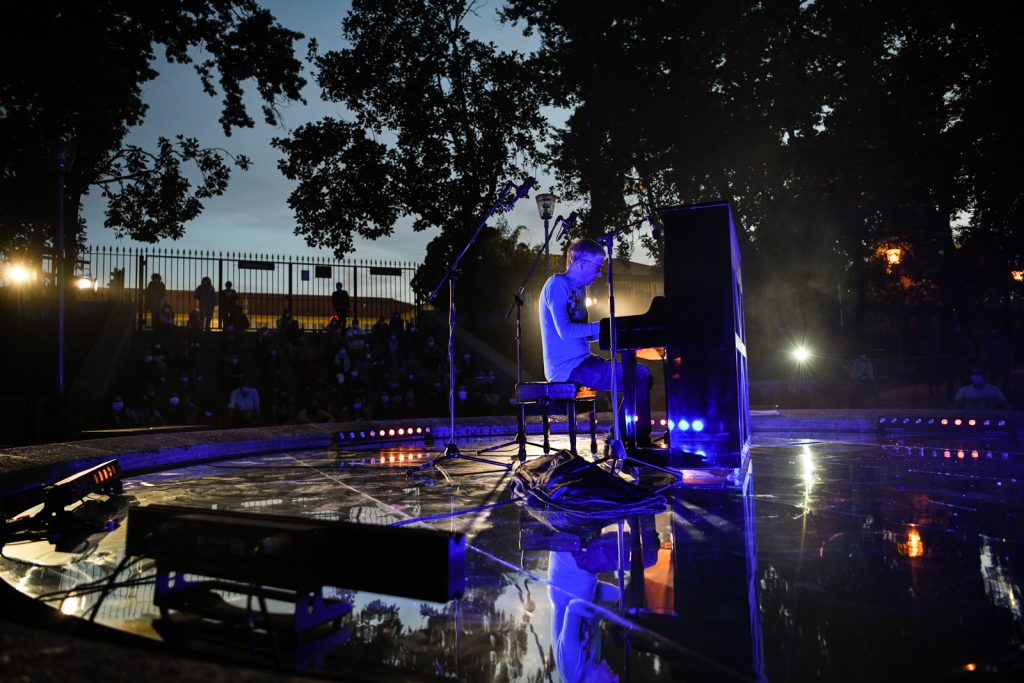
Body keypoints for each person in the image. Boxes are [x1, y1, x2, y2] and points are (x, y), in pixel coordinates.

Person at [539, 238, 652, 446]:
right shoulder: (557, 285)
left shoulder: (580, 289)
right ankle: (628, 436)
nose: (600, 273)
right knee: (639, 375)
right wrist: (602, 326)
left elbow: (583, 334)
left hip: (583, 361)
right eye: (598, 267)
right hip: (567, 368)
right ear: (581, 263)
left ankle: (624, 433)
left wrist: (615, 330)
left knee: (641, 374)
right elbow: (565, 331)